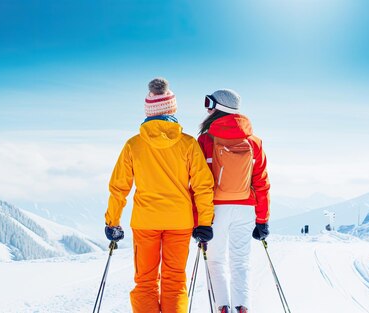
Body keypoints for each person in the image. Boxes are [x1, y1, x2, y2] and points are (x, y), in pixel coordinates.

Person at [104, 78, 215, 313]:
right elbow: (203, 185)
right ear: (172, 109)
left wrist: (113, 221)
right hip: (179, 221)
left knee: (145, 282)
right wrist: (204, 222)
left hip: (146, 222)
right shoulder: (187, 144)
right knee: (175, 282)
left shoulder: (133, 145)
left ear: (148, 111)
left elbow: (119, 187)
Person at [196, 89, 270, 313]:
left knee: (216, 260)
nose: (207, 109)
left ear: (219, 108)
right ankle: (242, 307)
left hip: (215, 209)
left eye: (209, 103)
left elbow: (200, 183)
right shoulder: (254, 142)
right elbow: (261, 182)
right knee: (240, 261)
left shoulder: (205, 140)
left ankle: (223, 307)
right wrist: (262, 219)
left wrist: (200, 221)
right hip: (246, 208)